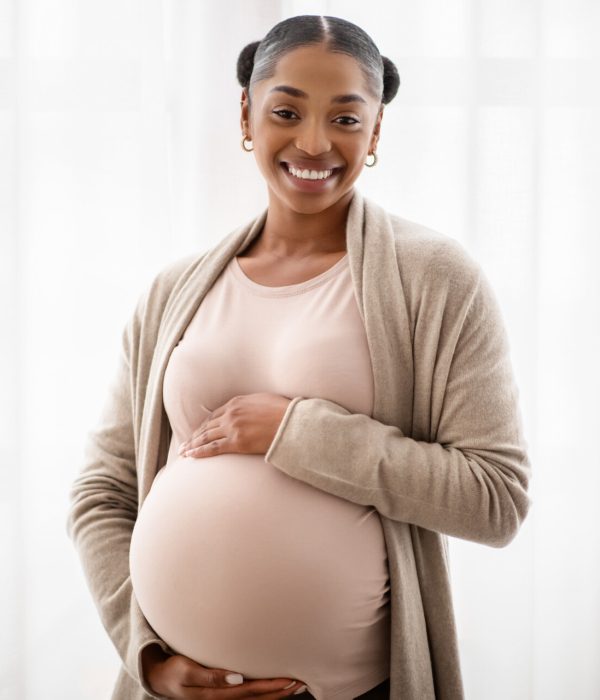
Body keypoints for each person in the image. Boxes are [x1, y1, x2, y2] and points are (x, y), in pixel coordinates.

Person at [66, 14, 532, 700]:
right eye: (287, 111)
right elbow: (99, 495)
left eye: (346, 119)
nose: (315, 143)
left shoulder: (434, 280)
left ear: (375, 132)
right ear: (248, 115)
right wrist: (150, 657)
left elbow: (495, 498)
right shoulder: (173, 292)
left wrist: (299, 432)